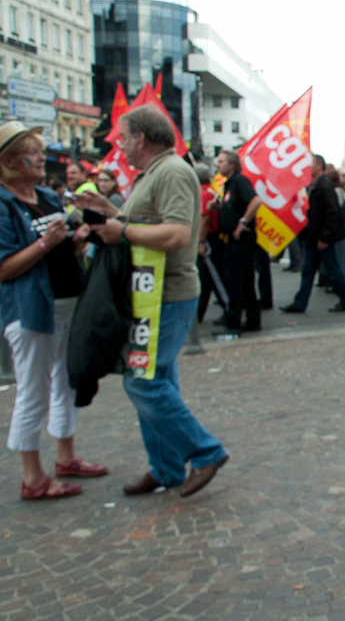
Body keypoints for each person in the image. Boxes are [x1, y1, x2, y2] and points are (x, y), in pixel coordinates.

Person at [78, 105, 230, 497]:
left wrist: (120, 230)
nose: (121, 146)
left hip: (166, 293)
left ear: (141, 138)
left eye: (124, 138)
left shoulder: (173, 171)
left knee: (142, 382)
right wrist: (110, 213)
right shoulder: (155, 173)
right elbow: (146, 222)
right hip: (150, 293)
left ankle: (205, 451)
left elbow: (178, 234)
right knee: (155, 379)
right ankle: (165, 469)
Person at [0, 121, 107, 500]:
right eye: (33, 151)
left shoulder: (46, 195)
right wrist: (46, 244)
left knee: (66, 381)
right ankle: (33, 477)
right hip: (31, 310)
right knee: (33, 390)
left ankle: (66, 457)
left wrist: (76, 240)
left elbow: (66, 249)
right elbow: (5, 268)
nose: (41, 157)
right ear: (10, 160)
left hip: (67, 302)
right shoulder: (3, 203)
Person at [280, 155, 345, 314]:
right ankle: (300, 303)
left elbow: (332, 214)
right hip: (314, 237)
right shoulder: (316, 185)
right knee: (309, 271)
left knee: (333, 270)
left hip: (321, 239)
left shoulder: (324, 186)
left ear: (319, 166)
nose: (307, 166)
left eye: (311, 163)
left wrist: (324, 238)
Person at [213, 150, 261, 333]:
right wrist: (218, 209)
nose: (218, 164)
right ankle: (252, 319)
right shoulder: (229, 184)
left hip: (241, 238)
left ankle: (233, 322)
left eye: (221, 161)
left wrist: (242, 223)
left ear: (232, 164)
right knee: (246, 279)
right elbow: (234, 207)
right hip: (235, 238)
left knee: (235, 280)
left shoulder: (240, 181)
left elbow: (255, 202)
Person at [195, 164, 225, 324]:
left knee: (212, 277)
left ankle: (228, 307)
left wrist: (200, 242)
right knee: (208, 278)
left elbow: (204, 219)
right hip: (212, 239)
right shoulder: (210, 191)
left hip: (209, 240)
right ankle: (197, 313)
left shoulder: (203, 194)